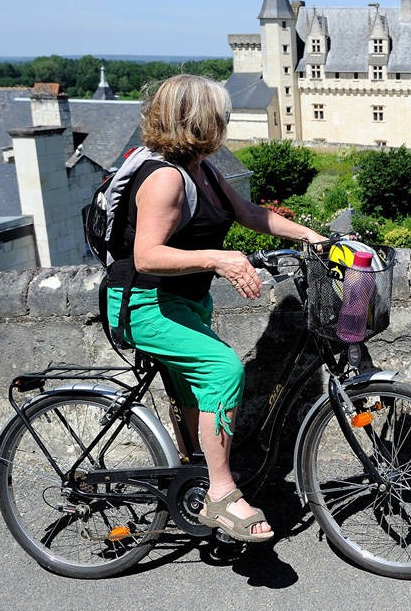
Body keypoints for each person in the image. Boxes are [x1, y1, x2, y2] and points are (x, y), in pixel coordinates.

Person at [105, 74, 330, 543]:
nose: (225, 123)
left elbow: (249, 214)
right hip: (144, 305)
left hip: (183, 301)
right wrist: (217, 258)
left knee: (194, 391)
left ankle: (198, 477)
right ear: (199, 120)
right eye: (219, 115)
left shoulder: (201, 169)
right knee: (224, 370)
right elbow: (147, 255)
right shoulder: (166, 177)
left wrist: (314, 237)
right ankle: (221, 493)